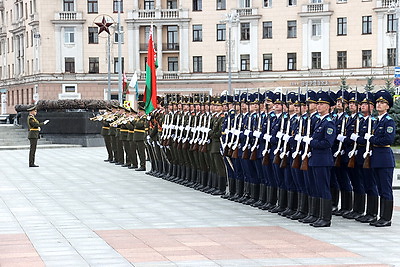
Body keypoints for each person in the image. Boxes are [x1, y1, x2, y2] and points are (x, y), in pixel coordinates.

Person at [364, 89, 396, 227]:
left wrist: (372, 139)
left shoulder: (388, 121)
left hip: (384, 158)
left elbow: (388, 139)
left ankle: (386, 217)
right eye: (377, 102)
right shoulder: (377, 121)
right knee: (380, 188)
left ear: (388, 106)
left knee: (385, 189)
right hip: (377, 157)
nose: (379, 105)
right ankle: (380, 215)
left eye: (382, 102)